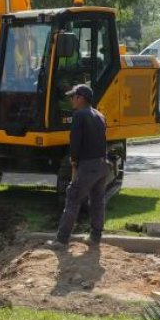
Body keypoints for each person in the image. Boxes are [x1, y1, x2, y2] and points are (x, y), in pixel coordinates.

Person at [53, 84, 108, 247]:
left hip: (87, 165)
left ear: (80, 98)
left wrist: (74, 159)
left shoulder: (79, 115)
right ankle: (95, 238)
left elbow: (75, 141)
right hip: (102, 164)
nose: (71, 100)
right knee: (97, 201)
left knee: (73, 198)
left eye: (73, 97)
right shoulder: (99, 115)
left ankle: (61, 240)